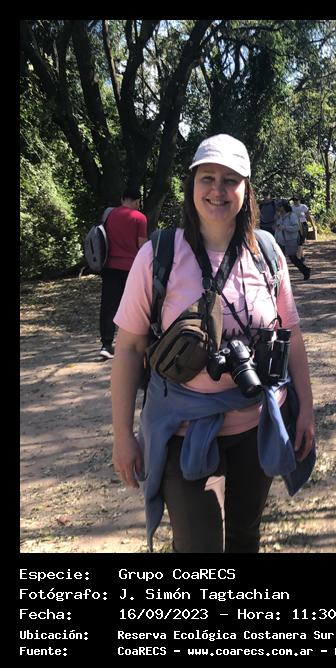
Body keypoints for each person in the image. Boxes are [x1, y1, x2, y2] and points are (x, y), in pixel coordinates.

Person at [110, 134, 317, 552]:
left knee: (244, 537)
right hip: (183, 429)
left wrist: (306, 410)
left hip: (256, 426)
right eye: (208, 178)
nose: (218, 190)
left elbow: (291, 334)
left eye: (230, 180)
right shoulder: (159, 255)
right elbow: (129, 348)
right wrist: (122, 434)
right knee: (199, 549)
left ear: (246, 190)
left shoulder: (268, 253)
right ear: (192, 185)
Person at [98, 187, 148, 359]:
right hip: (131, 268)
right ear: (137, 201)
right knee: (134, 306)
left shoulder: (109, 215)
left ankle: (106, 344)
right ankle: (133, 344)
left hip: (109, 266)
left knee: (108, 306)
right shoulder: (139, 218)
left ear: (122, 199)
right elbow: (143, 246)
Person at [275, 198, 311, 280]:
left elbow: (296, 227)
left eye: (280, 206)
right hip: (281, 240)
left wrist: (285, 227)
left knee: (293, 258)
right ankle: (279, 277)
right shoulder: (279, 216)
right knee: (279, 258)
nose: (278, 208)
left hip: (291, 240)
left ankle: (305, 270)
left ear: (284, 207)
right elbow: (278, 228)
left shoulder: (292, 215)